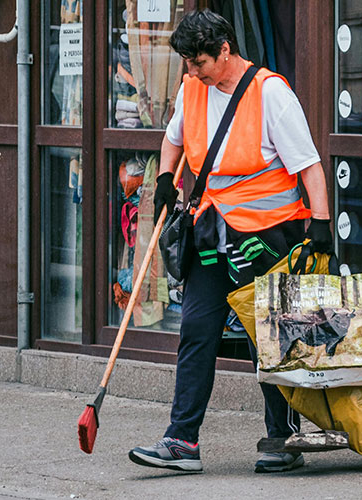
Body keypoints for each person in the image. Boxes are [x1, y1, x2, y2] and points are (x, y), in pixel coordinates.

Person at [128, 9, 332, 474]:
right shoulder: (191, 89)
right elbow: (173, 138)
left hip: (267, 238)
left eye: (197, 61)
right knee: (196, 331)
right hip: (212, 231)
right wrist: (164, 177)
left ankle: (282, 440)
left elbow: (308, 164)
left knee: (271, 339)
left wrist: (319, 224)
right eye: (185, 63)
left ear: (224, 50)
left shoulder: (270, 93)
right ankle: (181, 442)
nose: (190, 71)